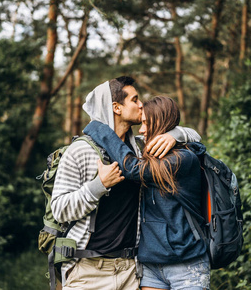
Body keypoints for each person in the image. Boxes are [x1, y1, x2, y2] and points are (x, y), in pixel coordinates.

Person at [51, 77, 201, 290]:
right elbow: (59, 210)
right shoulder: (81, 151)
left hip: (131, 271)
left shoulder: (142, 149)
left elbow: (195, 138)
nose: (141, 104)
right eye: (135, 99)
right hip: (89, 271)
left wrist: (176, 134)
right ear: (117, 108)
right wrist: (98, 186)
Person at [83, 96, 210, 290]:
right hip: (151, 266)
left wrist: (97, 128)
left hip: (186, 264)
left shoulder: (184, 158)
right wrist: (178, 133)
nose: (141, 130)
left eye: (145, 123)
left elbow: (133, 168)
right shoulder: (149, 152)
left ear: (160, 122)